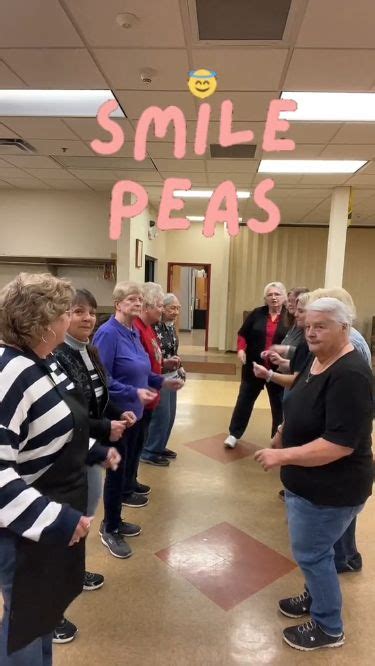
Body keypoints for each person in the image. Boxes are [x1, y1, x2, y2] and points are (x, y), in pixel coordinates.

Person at [0, 273, 119, 665]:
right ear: (46, 322)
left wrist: (94, 450)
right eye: (67, 312)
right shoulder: (9, 373)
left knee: (44, 616)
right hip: (22, 532)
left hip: (50, 520)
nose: (73, 319)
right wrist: (56, 518)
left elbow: (55, 428)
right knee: (26, 627)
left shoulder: (43, 362)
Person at [254, 298, 373, 651]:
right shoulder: (320, 360)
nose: (311, 332)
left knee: (313, 554)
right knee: (314, 551)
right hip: (307, 484)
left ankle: (328, 627)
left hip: (332, 488)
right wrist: (282, 430)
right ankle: (314, 596)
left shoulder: (350, 374)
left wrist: (282, 454)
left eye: (320, 326)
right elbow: (302, 402)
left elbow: (339, 444)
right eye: (308, 326)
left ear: (344, 328)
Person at [52, 288, 138, 643]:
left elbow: (98, 397)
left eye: (91, 312)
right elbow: (71, 415)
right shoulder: (56, 356)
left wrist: (118, 415)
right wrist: (106, 428)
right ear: (61, 317)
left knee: (84, 515)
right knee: (64, 524)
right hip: (71, 453)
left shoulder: (88, 350)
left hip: (91, 445)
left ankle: (75, 574)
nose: (88, 318)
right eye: (78, 312)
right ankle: (51, 609)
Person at [93, 282, 182, 558]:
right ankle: (108, 528)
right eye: (132, 299)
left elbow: (143, 370)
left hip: (136, 413)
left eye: (140, 300)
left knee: (126, 469)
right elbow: (103, 379)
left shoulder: (132, 331)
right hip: (118, 414)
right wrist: (133, 392)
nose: (137, 303)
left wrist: (162, 382)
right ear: (118, 303)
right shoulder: (108, 334)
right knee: (116, 472)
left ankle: (117, 519)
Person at [224, 281, 288, 449]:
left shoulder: (290, 317)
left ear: (284, 297)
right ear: (265, 298)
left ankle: (277, 438)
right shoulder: (257, 314)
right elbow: (242, 334)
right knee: (244, 400)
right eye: (270, 295)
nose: (273, 298)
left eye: (277, 294)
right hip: (254, 367)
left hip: (278, 369)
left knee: (279, 405)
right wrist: (240, 350)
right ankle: (234, 434)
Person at [137, 287, 184, 467]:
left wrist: (179, 366)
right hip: (158, 376)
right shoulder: (150, 327)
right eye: (171, 308)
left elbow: (171, 350)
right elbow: (151, 356)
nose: (175, 312)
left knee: (169, 416)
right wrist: (164, 363)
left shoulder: (169, 327)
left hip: (169, 374)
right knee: (161, 416)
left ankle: (160, 445)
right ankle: (150, 451)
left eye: (178, 308)